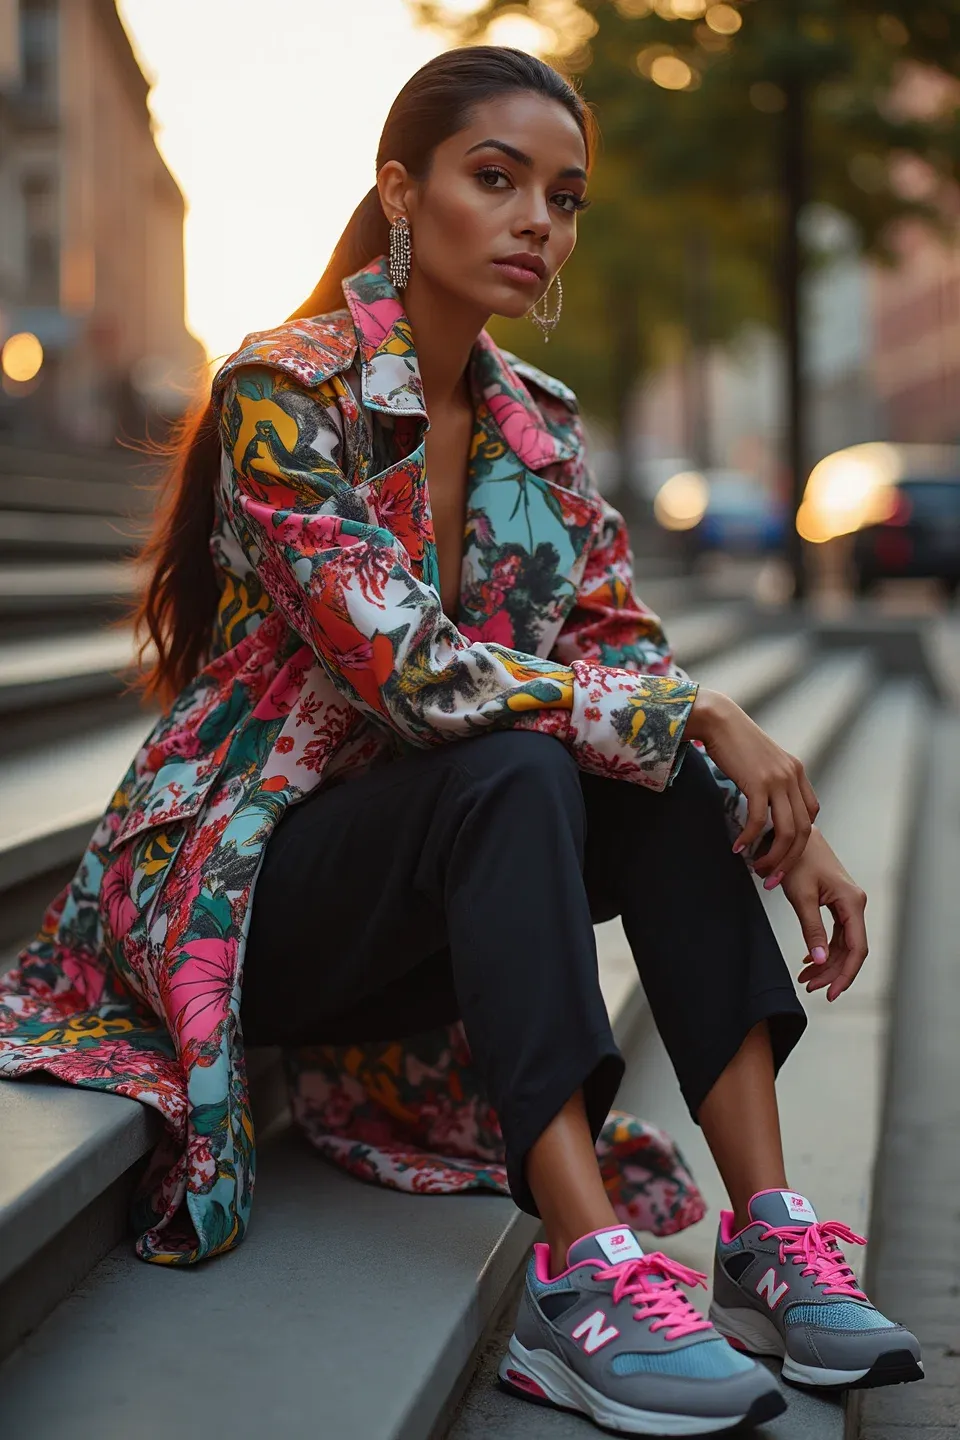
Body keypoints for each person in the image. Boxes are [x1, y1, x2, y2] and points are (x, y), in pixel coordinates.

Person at [0, 45, 920, 1435]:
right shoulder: (281, 390)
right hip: (249, 896)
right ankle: (583, 1275)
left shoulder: (538, 426)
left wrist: (759, 799)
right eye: (495, 179)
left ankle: (769, 1237)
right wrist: (709, 715)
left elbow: (620, 655)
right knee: (517, 758)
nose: (537, 219)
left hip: (437, 888)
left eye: (564, 195)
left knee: (652, 766)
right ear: (400, 192)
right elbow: (414, 678)